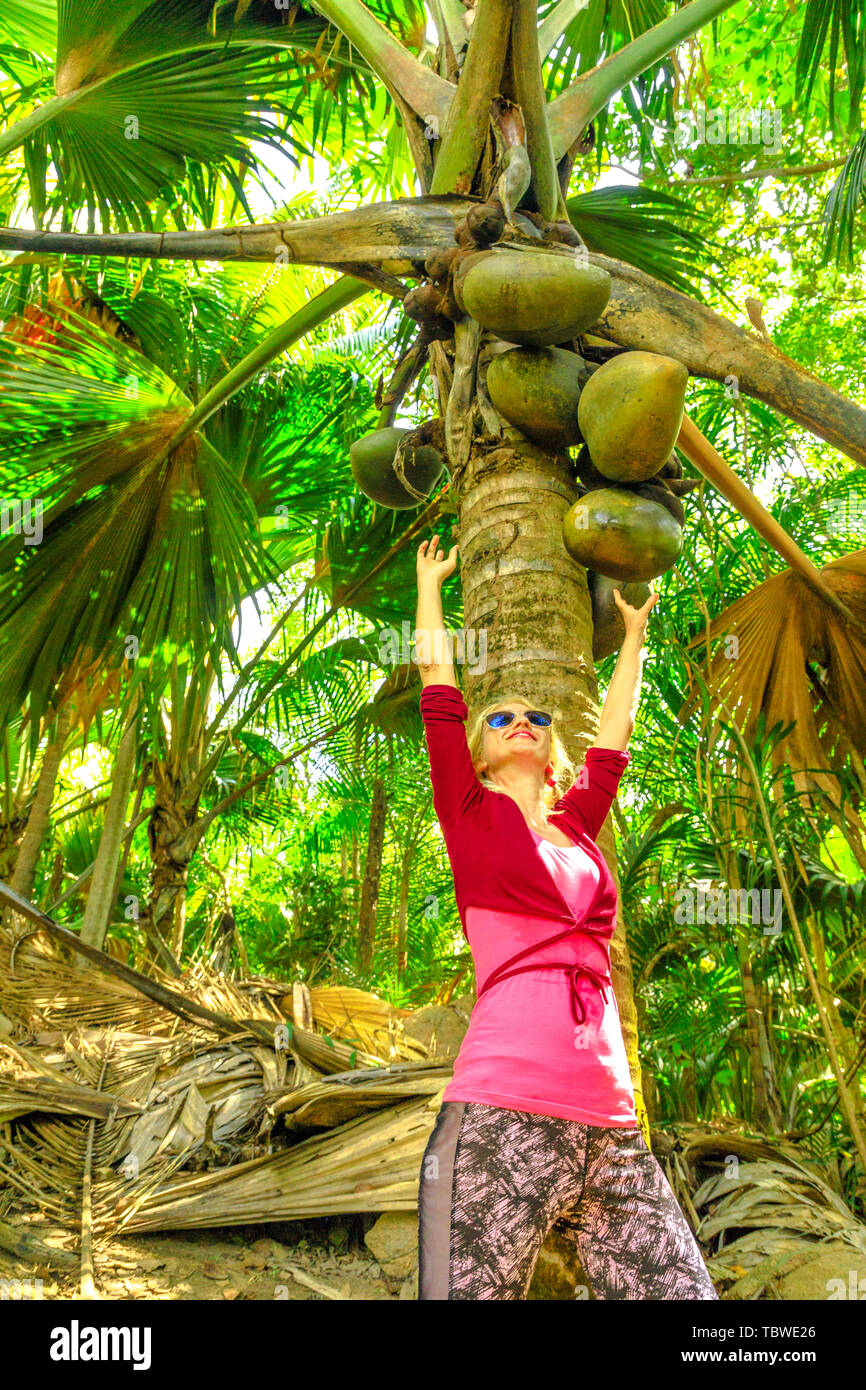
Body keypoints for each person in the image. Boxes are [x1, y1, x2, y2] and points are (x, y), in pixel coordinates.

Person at [413, 532, 717, 1302]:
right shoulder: (469, 813)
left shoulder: (579, 826)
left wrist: (636, 637)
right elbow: (437, 684)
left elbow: (613, 739)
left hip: (613, 1132)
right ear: (477, 754)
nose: (522, 719)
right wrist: (431, 585)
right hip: (500, 1119)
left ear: (553, 752)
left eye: (537, 715)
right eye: (502, 716)